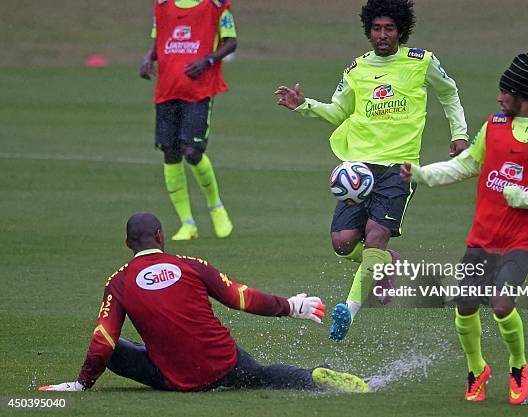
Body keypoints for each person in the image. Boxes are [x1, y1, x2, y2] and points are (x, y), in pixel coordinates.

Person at [274, 0, 469, 341]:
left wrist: (460, 134)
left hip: (399, 168)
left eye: (389, 28)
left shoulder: (421, 61)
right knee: (343, 244)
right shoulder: (357, 69)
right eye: (376, 28)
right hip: (358, 170)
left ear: (401, 30)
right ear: (368, 31)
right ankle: (383, 262)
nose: (382, 35)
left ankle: (347, 310)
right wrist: (303, 105)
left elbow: (449, 93)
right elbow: (338, 112)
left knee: (376, 236)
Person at [400, 53, 528, 404]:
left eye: (505, 92)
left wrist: (527, 198)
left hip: (526, 238)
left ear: (522, 94)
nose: (498, 98)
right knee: (465, 303)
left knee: (500, 303)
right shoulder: (494, 125)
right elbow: (467, 164)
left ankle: (517, 365)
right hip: (486, 233)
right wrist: (421, 173)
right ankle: (476, 369)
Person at [39, 213, 368, 393]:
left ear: (128, 244)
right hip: (226, 363)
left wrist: (82, 383)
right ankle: (312, 379)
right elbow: (240, 297)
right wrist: (291, 306)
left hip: (178, 380)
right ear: (160, 236)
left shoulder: (119, 281)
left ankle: (96, 381)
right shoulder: (191, 265)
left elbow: (103, 341)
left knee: (117, 349)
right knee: (265, 376)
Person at [139, 0, 236, 241]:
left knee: (191, 151)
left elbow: (231, 41)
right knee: (170, 153)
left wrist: (207, 61)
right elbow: (159, 38)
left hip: (199, 91)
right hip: (167, 90)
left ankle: (216, 207)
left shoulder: (216, 5)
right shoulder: (162, 5)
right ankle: (187, 223)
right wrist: (148, 57)